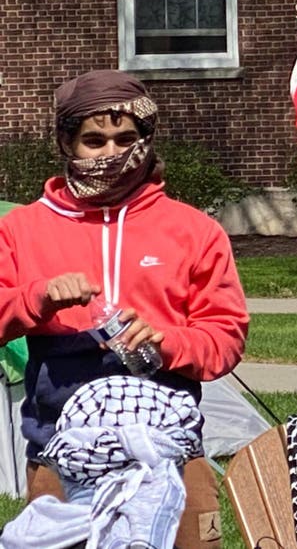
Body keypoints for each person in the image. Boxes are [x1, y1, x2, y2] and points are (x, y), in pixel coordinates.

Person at [0, 70, 249, 548]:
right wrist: (38, 297)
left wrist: (168, 340)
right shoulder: (22, 229)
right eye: (94, 141)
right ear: (65, 142)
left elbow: (226, 338)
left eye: (126, 139)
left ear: (147, 140)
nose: (111, 154)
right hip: (59, 454)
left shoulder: (194, 231)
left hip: (176, 455)